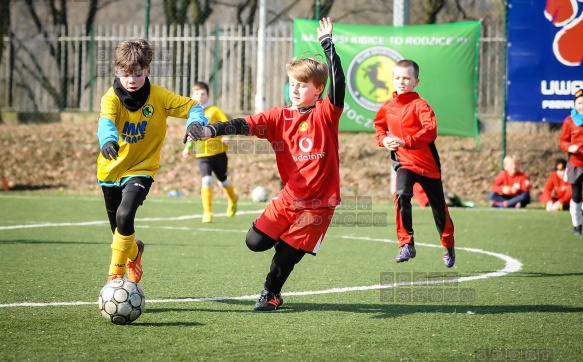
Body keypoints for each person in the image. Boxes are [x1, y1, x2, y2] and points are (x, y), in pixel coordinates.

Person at [184, 17, 344, 311]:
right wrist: (210, 130)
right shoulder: (278, 117)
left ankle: (271, 293)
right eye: (292, 84)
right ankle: (288, 240)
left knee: (285, 257)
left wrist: (328, 45)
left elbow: (339, 85)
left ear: (318, 89)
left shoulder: (326, 113)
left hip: (319, 204)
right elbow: (244, 124)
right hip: (289, 198)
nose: (295, 90)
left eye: (303, 85)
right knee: (255, 242)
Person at [97, 39, 208, 283]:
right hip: (110, 170)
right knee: (119, 232)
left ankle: (114, 279)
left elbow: (193, 107)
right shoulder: (111, 98)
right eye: (126, 75)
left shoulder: (159, 96)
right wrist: (107, 140)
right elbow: (105, 121)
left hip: (142, 169)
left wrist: (194, 124)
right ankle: (134, 252)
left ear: (148, 70)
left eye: (137, 74)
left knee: (125, 216)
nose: (131, 80)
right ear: (117, 72)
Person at [373, 59, 456, 268]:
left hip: (428, 166)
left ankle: (448, 244)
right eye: (398, 78)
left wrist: (406, 141)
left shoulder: (421, 105)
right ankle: (406, 243)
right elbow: (379, 126)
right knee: (401, 194)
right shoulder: (387, 107)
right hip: (405, 163)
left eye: (407, 78)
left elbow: (430, 130)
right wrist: (384, 140)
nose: (402, 82)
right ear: (392, 79)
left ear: (415, 81)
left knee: (439, 209)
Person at [182, 81, 238, 223]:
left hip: (218, 152)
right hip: (202, 154)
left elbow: (228, 125)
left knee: (223, 181)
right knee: (206, 180)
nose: (200, 96)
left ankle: (233, 199)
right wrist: (187, 148)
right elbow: (191, 134)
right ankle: (208, 212)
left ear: (208, 95)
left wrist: (228, 136)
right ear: (191, 96)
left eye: (203, 94)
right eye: (197, 94)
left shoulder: (214, 110)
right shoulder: (192, 113)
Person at [559, 89, 583, 235]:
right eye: (580, 103)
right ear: (575, 104)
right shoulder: (569, 121)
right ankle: (577, 225)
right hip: (575, 164)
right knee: (576, 195)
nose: (582, 106)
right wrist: (570, 147)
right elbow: (562, 141)